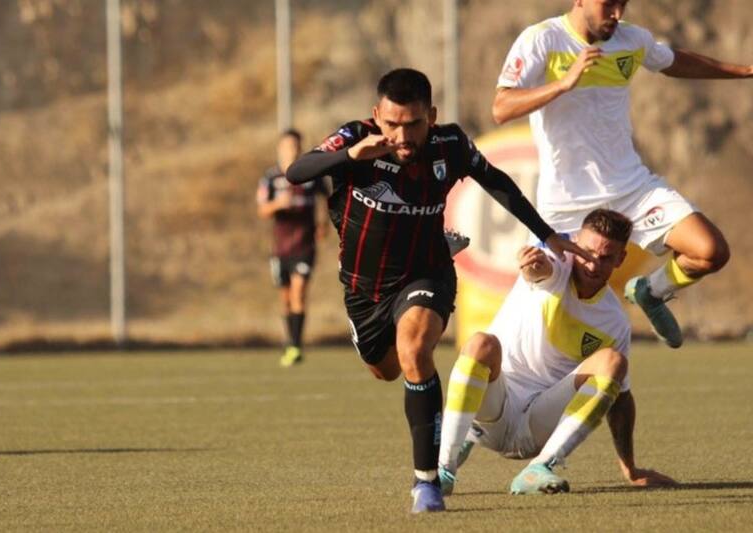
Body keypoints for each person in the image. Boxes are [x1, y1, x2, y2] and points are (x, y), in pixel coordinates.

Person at [286, 68, 588, 513]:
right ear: (377, 116)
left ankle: (426, 482)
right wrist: (352, 154)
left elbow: (499, 184)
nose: (402, 135)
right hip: (363, 287)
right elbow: (297, 171)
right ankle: (431, 412)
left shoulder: (450, 145)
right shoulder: (357, 137)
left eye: (412, 124)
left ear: (431, 116)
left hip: (425, 272)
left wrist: (547, 233)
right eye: (392, 124)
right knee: (386, 369)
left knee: (414, 350)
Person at [492, 0, 752, 348]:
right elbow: (501, 107)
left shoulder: (631, 39)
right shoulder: (542, 39)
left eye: (622, 4)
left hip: (632, 188)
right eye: (607, 4)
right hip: (567, 204)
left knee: (710, 251)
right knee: (539, 305)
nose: (616, 14)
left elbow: (674, 62)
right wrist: (563, 84)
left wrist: (745, 70)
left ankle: (651, 292)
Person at [437, 209, 677, 497]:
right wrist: (532, 267)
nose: (592, 265)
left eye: (605, 257)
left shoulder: (614, 321)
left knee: (613, 362)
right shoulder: (556, 264)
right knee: (480, 344)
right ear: (574, 243)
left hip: (535, 429)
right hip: (492, 414)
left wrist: (630, 468)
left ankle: (539, 468)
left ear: (620, 259)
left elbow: (620, 399)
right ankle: (441, 472)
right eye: (586, 252)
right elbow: (539, 272)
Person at [256, 129, 330, 367]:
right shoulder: (271, 177)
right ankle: (290, 342)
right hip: (280, 247)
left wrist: (323, 224)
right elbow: (262, 210)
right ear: (280, 149)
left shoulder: (311, 176)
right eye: (287, 146)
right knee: (286, 298)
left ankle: (296, 345)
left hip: (304, 244)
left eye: (295, 146)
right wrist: (278, 203)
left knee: (299, 292)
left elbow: (326, 199)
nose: (292, 151)